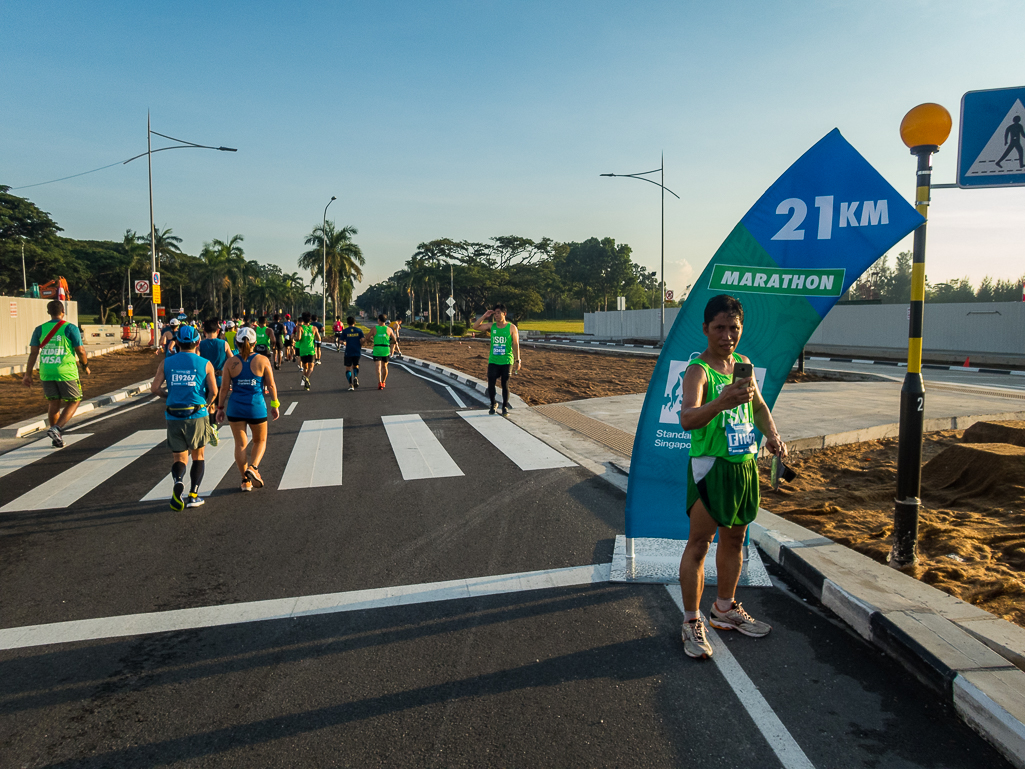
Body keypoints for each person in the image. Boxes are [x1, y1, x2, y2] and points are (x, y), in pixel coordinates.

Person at [676, 294, 786, 660]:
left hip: (743, 465)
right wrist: (720, 401)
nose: (727, 336)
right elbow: (687, 418)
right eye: (720, 328)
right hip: (711, 466)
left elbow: (758, 405)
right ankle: (691, 621)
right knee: (699, 544)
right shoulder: (698, 370)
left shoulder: (742, 364)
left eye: (733, 328)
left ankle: (724, 609)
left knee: (736, 540)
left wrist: (772, 435)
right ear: (706, 328)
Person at [150, 324, 218, 510]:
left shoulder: (167, 363)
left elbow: (154, 388)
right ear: (197, 342)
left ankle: (178, 480)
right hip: (197, 413)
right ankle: (193, 495)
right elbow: (214, 391)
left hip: (173, 415)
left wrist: (168, 396)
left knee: (179, 458)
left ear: (177, 342)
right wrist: (207, 403)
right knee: (198, 456)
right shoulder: (205, 363)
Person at [216, 326, 279, 491]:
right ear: (255, 343)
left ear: (236, 342)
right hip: (256, 407)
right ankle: (254, 468)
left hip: (235, 408)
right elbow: (271, 385)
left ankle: (245, 481)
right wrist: (275, 404)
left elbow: (223, 388)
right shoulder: (263, 360)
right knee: (260, 440)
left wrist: (220, 408)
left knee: (240, 444)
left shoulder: (230, 362)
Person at [22, 300, 91, 448]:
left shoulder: (39, 329)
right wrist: (85, 365)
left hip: (46, 371)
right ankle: (56, 428)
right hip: (66, 371)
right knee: (74, 400)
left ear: (48, 312)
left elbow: (33, 353)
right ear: (63, 311)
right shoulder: (70, 328)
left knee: (53, 402)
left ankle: (56, 439)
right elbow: (80, 350)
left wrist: (27, 374)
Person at [471, 304, 521, 416]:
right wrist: (484, 316)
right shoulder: (491, 326)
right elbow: (475, 327)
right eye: (495, 313)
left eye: (499, 313)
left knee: (505, 384)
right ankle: (493, 404)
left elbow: (516, 344)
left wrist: (518, 360)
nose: (496, 315)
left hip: (507, 360)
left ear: (505, 314)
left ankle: (505, 406)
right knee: (491, 383)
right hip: (493, 360)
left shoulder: (512, 327)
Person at [199, 319, 234, 447]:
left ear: (204, 331)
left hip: (205, 380)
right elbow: (231, 360)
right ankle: (214, 428)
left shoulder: (200, 345)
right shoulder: (223, 344)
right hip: (220, 379)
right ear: (218, 331)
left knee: (209, 405)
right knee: (216, 404)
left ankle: (210, 425)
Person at [294, 312, 320, 390]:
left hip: (303, 350)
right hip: (311, 350)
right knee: (311, 368)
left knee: (305, 367)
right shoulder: (314, 328)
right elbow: (319, 338)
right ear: (310, 319)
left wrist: (294, 338)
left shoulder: (300, 328)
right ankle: (306, 379)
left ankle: (306, 382)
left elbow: (298, 338)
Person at [371, 314, 397, 389]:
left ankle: (379, 382)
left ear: (379, 320)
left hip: (377, 349)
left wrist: (372, 341)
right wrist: (389, 343)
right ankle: (383, 381)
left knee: (378, 366)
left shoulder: (374, 328)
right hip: (386, 349)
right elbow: (394, 340)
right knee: (384, 366)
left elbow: (367, 337)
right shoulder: (389, 329)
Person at [340, 316, 365, 390]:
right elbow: (363, 340)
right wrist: (360, 345)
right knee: (356, 365)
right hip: (357, 351)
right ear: (355, 322)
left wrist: (344, 343)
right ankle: (356, 377)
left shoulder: (345, 331)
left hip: (348, 351)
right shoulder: (359, 330)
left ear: (347, 323)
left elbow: (341, 341)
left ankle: (351, 384)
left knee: (348, 368)